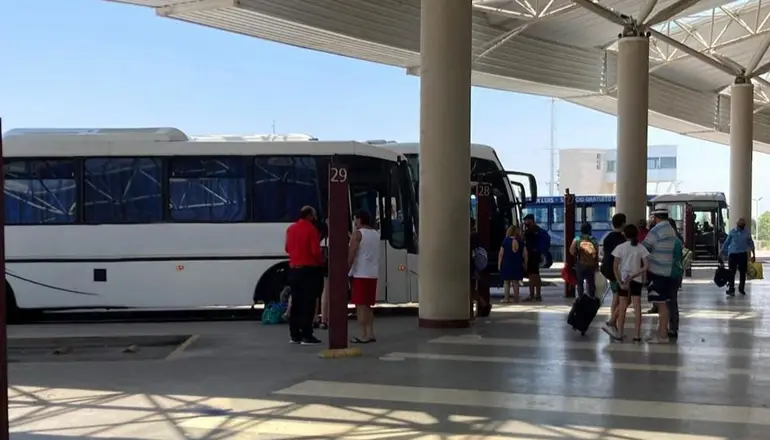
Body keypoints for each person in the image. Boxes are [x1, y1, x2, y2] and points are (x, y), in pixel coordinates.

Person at [284, 206, 325, 345]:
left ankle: (294, 335)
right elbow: (316, 252)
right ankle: (307, 334)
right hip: (308, 271)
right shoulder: (311, 230)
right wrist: (321, 262)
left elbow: (287, 248)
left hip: (293, 270)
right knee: (308, 303)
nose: (315, 218)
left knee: (296, 303)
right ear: (309, 216)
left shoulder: (291, 229)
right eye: (314, 215)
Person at [642, 208, 681, 344]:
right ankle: (663, 331)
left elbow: (644, 247)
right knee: (667, 302)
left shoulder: (656, 230)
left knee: (661, 304)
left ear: (656, 217)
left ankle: (662, 335)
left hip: (658, 271)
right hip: (668, 271)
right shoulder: (671, 230)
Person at [603, 224, 649, 342]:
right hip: (637, 280)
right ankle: (637, 335)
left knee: (622, 307)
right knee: (637, 307)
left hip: (623, 280)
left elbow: (615, 267)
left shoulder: (620, 248)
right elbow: (646, 266)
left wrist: (620, 282)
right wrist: (635, 275)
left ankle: (620, 333)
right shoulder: (641, 248)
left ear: (624, 234)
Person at [348, 210, 379, 343]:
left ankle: (363, 334)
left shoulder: (358, 234)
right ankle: (370, 332)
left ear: (360, 219)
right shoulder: (376, 234)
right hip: (372, 274)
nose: (354, 222)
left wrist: (346, 270)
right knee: (367, 305)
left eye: (355, 219)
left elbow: (352, 253)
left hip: (360, 274)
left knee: (360, 306)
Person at [600, 213, 627, 332]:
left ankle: (613, 321)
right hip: (617, 271)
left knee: (615, 295)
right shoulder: (622, 239)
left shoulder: (608, 237)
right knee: (618, 298)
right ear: (623, 223)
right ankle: (613, 321)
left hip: (607, 270)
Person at [721, 217, 756, 296]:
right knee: (731, 273)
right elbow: (727, 242)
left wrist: (754, 255)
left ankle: (741, 289)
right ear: (737, 224)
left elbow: (751, 243)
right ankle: (731, 289)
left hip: (742, 255)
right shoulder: (732, 232)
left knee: (743, 273)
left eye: (743, 225)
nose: (742, 227)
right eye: (741, 225)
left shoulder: (747, 232)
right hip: (733, 255)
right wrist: (721, 251)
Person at [570, 223, 599, 298]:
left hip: (580, 264)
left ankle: (581, 298)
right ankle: (591, 298)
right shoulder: (593, 239)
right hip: (591, 264)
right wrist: (597, 265)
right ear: (590, 230)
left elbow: (572, 251)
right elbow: (596, 253)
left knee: (580, 282)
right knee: (591, 282)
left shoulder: (577, 239)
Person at [498, 225, 525, 303]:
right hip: (517, 263)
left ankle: (506, 298)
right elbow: (525, 253)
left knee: (506, 282)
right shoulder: (520, 241)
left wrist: (499, 264)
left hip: (507, 263)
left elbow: (501, 254)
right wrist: (525, 263)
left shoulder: (505, 241)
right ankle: (516, 298)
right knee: (515, 281)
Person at [469, 218, 490, 317]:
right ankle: (483, 304)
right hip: (473, 267)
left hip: (470, 268)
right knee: (471, 291)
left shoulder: (471, 237)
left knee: (469, 291)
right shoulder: (476, 236)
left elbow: (470, 254)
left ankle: (471, 313)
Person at [522, 214, 543, 302]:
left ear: (530, 220)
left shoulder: (530, 230)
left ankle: (535, 295)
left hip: (532, 256)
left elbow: (525, 240)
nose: (524, 222)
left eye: (526, 220)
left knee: (534, 275)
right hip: (535, 255)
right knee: (533, 275)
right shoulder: (537, 229)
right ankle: (534, 294)